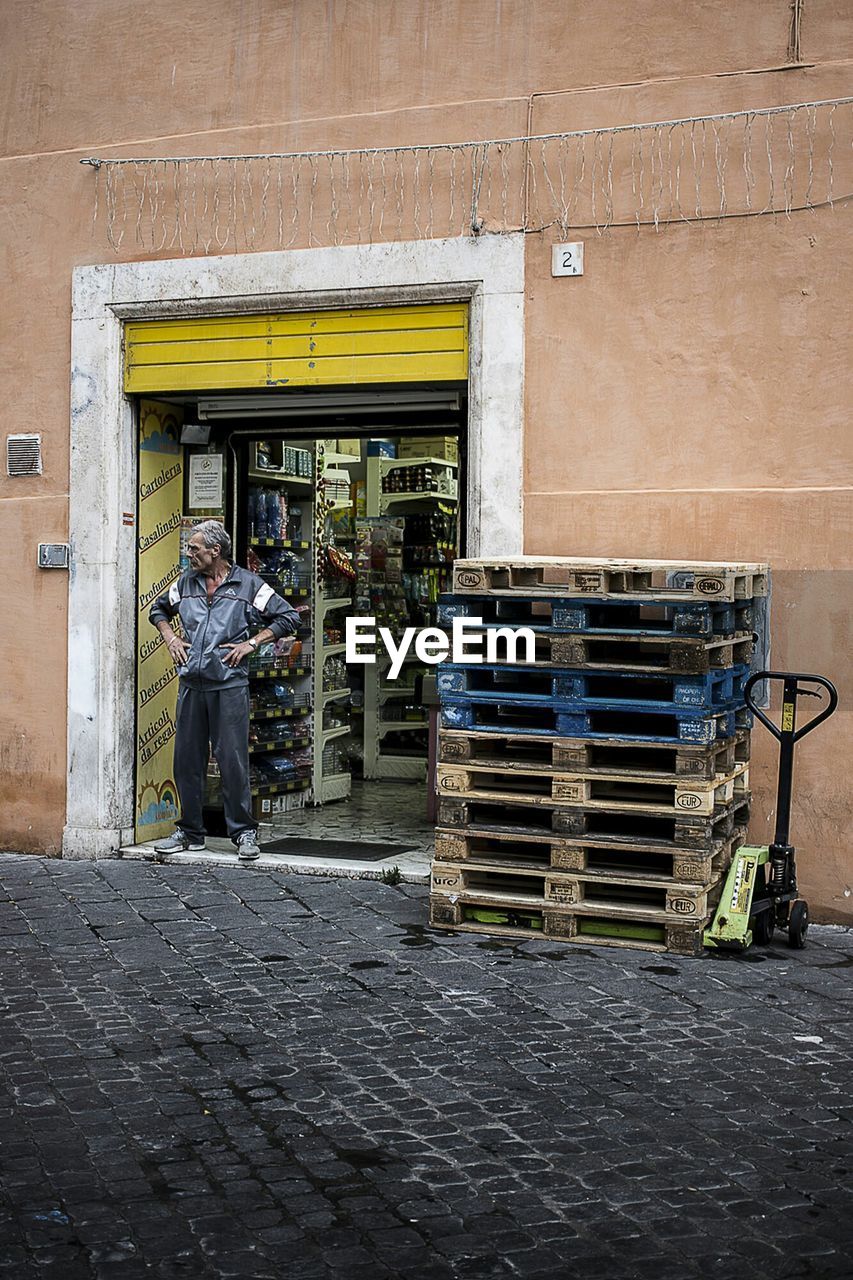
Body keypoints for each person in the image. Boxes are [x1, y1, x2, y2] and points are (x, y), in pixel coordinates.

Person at [149, 520, 300, 862]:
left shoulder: (248, 585)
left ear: (215, 551)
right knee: (186, 761)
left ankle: (243, 833)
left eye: (194, 549)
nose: (189, 555)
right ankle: (190, 832)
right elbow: (158, 609)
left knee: (232, 760)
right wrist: (170, 637)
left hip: (229, 684)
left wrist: (252, 642)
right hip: (191, 683)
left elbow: (288, 617)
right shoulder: (186, 583)